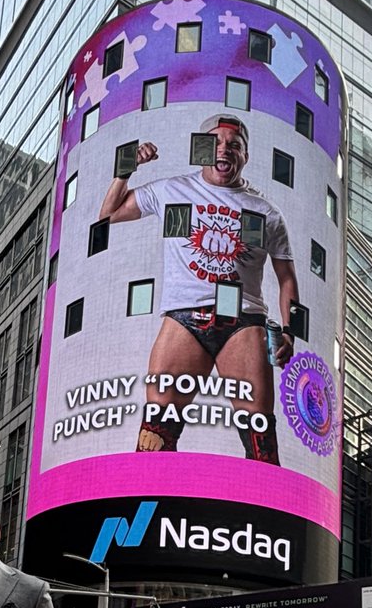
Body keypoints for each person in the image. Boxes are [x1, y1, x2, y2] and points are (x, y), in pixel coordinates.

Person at [99, 114, 299, 464]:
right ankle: (150, 510)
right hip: (183, 319)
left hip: (243, 322)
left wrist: (290, 331)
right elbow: (108, 216)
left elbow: (287, 277)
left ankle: (260, 517)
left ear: (245, 156)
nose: (224, 150)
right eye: (215, 143)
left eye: (234, 145)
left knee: (260, 440)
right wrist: (126, 167)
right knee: (154, 435)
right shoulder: (172, 190)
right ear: (200, 149)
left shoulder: (265, 211)